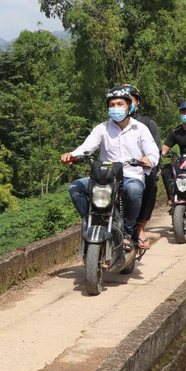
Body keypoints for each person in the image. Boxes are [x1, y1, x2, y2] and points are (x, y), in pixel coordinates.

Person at [61, 86, 159, 250]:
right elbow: (87, 147)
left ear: (129, 106)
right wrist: (72, 154)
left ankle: (127, 232)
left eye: (120, 104)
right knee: (75, 187)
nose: (115, 108)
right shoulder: (102, 128)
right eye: (112, 105)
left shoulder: (140, 128)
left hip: (131, 175)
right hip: (105, 177)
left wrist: (148, 159)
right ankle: (91, 222)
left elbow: (153, 152)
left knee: (134, 190)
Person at [125, 84, 161, 249]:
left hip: (140, 170)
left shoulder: (146, 124)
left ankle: (140, 228)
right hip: (118, 170)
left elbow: (156, 151)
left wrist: (147, 162)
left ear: (137, 102)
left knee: (150, 183)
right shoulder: (109, 125)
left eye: (129, 100)